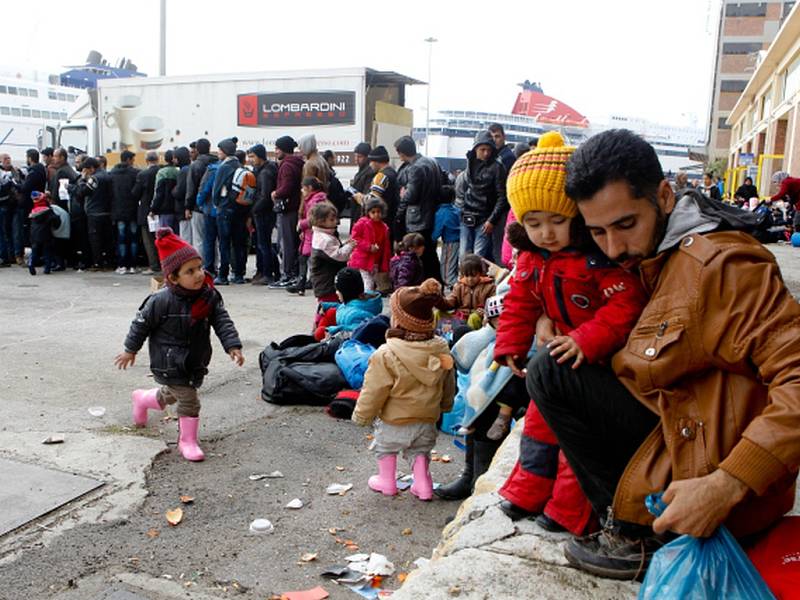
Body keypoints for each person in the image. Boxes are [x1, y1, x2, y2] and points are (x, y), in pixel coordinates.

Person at [523, 127, 800, 580]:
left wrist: (726, 484)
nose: (613, 247)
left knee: (550, 373)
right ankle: (630, 521)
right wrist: (543, 319)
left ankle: (643, 537)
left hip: (721, 488)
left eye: (626, 225)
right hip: (678, 433)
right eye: (597, 231)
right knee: (555, 367)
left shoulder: (721, 267)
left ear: (666, 196)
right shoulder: (647, 257)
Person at [487, 133, 648, 539]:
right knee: (538, 433)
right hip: (555, 360)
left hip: (595, 361)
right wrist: (509, 344)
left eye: (557, 221)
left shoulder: (599, 258)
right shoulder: (531, 258)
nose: (545, 233)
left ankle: (567, 511)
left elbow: (625, 307)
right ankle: (526, 493)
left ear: (577, 215)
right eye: (533, 223)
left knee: (575, 444)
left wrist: (586, 339)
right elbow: (520, 301)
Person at [114, 227, 244, 462]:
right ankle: (187, 441)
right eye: (190, 271)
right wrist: (130, 350)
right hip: (169, 361)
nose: (198, 275)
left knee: (173, 395)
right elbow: (140, 324)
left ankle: (143, 399)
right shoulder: (160, 301)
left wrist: (232, 345)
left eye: (200, 268)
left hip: (194, 359)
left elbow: (222, 320)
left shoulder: (208, 296)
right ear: (173, 277)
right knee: (188, 399)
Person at [351, 278, 455, 501]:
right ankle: (423, 484)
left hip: (393, 422)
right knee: (420, 452)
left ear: (398, 320)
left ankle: (387, 482)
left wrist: (362, 415)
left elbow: (374, 390)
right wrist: (446, 405)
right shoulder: (442, 349)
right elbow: (448, 382)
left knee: (386, 449)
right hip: (427, 419)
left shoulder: (386, 354)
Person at [394, 135, 442, 281]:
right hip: (432, 212)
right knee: (430, 254)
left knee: (421, 254)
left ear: (402, 152)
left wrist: (404, 195)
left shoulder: (415, 168)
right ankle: (436, 284)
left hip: (418, 217)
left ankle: (428, 285)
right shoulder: (431, 162)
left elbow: (412, 196)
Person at [457, 130, 508, 261]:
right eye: (482, 149)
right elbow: (463, 188)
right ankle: (464, 280)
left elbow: (502, 197)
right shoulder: (470, 163)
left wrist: (491, 220)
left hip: (484, 218)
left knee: (477, 258)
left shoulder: (497, 167)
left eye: (488, 150)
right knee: (464, 256)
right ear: (476, 149)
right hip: (468, 215)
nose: (486, 153)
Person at [309, 202, 357, 314]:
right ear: (321, 221)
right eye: (331, 219)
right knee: (328, 310)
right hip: (326, 284)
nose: (336, 222)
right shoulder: (324, 240)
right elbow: (339, 256)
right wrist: (349, 247)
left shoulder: (327, 235)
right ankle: (319, 329)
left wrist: (345, 245)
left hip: (327, 282)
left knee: (328, 309)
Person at [271, 135, 304, 288]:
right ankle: (295, 273)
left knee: (287, 243)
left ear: (284, 149)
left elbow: (286, 187)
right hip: (296, 208)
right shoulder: (298, 163)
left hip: (288, 209)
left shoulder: (287, 165)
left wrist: (275, 193)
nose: (275, 151)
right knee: (294, 242)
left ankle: (288, 275)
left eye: (277, 148)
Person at [315, 267, 383, 340]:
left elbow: (357, 330)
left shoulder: (357, 315)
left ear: (347, 292)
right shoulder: (353, 302)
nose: (336, 292)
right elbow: (344, 307)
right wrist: (325, 305)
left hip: (349, 343)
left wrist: (335, 329)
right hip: (341, 331)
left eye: (338, 290)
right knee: (331, 313)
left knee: (320, 332)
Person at [207, 138, 241, 285]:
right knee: (237, 243)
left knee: (224, 243)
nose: (218, 152)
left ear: (225, 151)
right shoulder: (238, 165)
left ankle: (223, 275)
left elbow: (216, 189)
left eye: (220, 150)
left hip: (224, 208)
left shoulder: (223, 167)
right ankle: (238, 274)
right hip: (238, 208)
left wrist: (216, 204)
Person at [288, 177, 329, 295]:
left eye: (303, 188)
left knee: (307, 259)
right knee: (304, 258)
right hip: (309, 234)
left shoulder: (314, 201)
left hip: (313, 234)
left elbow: (313, 219)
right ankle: (302, 284)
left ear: (310, 188)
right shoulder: (316, 199)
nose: (302, 190)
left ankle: (304, 284)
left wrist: (301, 225)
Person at [437, 254, 496, 329]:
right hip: (460, 318)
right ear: (462, 275)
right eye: (467, 276)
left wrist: (485, 311)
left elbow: (493, 305)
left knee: (474, 317)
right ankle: (440, 338)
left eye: (473, 275)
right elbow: (450, 302)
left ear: (480, 273)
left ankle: (469, 338)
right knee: (438, 313)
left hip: (479, 320)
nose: (470, 279)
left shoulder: (489, 287)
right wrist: (438, 300)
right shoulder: (458, 286)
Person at [247, 144, 278, 285]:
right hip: (262, 212)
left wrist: (254, 210)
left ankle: (268, 274)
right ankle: (265, 272)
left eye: (252, 156)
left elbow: (264, 196)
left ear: (260, 156)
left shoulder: (265, 173)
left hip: (264, 213)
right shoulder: (261, 170)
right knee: (262, 244)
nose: (250, 160)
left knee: (264, 244)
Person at [77, 157, 115, 270]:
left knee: (95, 239)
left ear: (92, 168)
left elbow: (83, 192)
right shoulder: (108, 176)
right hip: (107, 211)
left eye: (86, 170)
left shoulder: (95, 178)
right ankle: (110, 261)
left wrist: (83, 180)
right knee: (108, 239)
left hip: (95, 212)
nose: (85, 172)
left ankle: (98, 263)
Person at [348, 196, 391, 291]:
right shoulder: (363, 223)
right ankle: (366, 300)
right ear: (368, 212)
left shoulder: (384, 227)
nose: (376, 215)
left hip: (375, 261)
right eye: (373, 212)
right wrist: (368, 247)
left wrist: (385, 262)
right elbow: (355, 238)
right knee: (368, 283)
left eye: (378, 212)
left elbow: (386, 246)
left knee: (371, 282)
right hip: (362, 260)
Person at [184, 138, 218, 253]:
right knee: (214, 239)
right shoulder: (218, 162)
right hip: (215, 206)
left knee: (199, 239)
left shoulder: (195, 166)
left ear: (197, 150)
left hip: (198, 207)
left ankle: (201, 267)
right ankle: (214, 265)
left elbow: (191, 188)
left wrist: (188, 207)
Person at [109, 150, 140, 274]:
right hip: (132, 210)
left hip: (118, 210)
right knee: (133, 238)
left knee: (121, 238)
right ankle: (132, 265)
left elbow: (110, 193)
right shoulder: (135, 174)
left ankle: (122, 265)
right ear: (128, 160)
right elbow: (137, 192)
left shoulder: (112, 174)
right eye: (132, 160)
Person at [132, 151, 162, 275]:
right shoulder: (162, 171)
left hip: (146, 210)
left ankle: (154, 265)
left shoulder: (143, 174)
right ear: (158, 159)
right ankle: (164, 263)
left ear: (146, 160)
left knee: (149, 240)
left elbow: (135, 193)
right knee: (162, 238)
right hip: (161, 210)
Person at [365, 145, 401, 243]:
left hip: (381, 221)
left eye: (371, 162)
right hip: (392, 220)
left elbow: (372, 201)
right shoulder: (393, 173)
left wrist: (360, 197)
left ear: (376, 161)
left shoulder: (381, 176)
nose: (370, 165)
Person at [27, 192, 61, 275]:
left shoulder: (33, 212)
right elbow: (56, 220)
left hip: (34, 235)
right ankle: (47, 268)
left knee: (34, 251)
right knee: (47, 251)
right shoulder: (48, 211)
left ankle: (31, 263)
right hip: (46, 235)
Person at [432, 190, 461, 288]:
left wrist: (432, 238)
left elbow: (438, 230)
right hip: (459, 240)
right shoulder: (456, 210)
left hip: (450, 241)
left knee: (446, 267)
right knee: (455, 264)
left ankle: (452, 284)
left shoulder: (441, 212)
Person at [152, 150, 179, 231]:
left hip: (164, 210)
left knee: (165, 235)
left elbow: (158, 193)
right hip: (176, 209)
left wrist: (153, 209)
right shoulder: (178, 171)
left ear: (165, 159)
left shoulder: (161, 173)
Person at [348, 142, 374, 227]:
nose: (356, 159)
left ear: (367, 157)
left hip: (361, 211)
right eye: (355, 156)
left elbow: (365, 195)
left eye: (359, 157)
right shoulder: (361, 170)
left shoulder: (370, 172)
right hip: (355, 209)